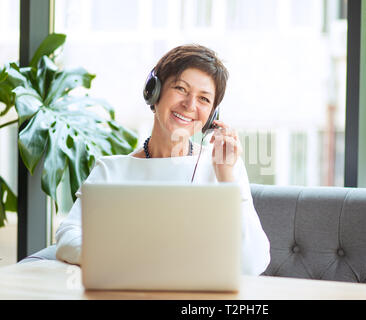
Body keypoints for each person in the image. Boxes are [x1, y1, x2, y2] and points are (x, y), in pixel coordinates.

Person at [55, 44, 271, 276]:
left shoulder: (223, 166)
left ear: (212, 117)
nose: (190, 105)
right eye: (181, 88)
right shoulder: (111, 170)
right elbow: (68, 236)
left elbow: (252, 263)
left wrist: (227, 179)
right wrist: (127, 260)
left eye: (204, 99)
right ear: (153, 91)